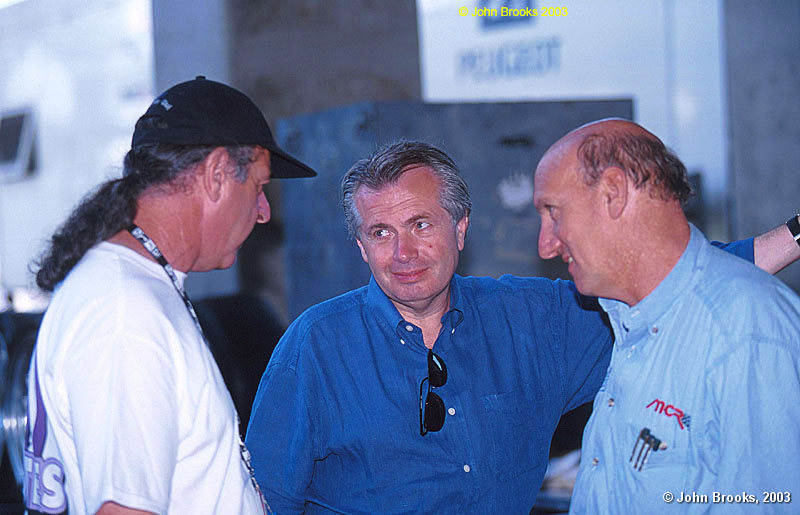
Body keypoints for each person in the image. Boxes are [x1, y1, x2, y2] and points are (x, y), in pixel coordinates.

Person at [245, 140, 790, 513]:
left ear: (460, 228)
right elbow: (260, 500)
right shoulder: (316, 346)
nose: (403, 253)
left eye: (419, 224)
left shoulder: (535, 321)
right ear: (361, 247)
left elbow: (674, 279)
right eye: (381, 233)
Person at [24, 76, 317, 515]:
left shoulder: (130, 290)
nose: (263, 212)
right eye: (259, 186)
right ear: (218, 174)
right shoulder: (126, 313)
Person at [533, 119, 800, 513]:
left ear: (613, 193)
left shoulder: (746, 329)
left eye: (553, 212)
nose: (546, 245)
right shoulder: (626, 321)